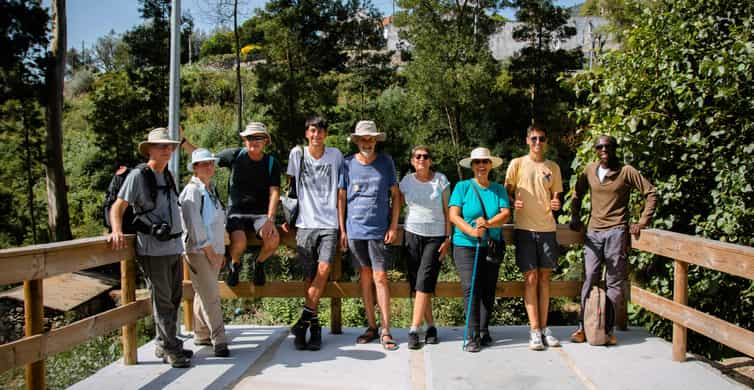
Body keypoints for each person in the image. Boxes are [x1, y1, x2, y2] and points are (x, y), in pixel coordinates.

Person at [108, 128, 191, 368]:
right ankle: (172, 350)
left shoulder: (168, 174)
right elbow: (118, 207)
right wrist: (116, 230)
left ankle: (164, 344)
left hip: (174, 245)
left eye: (170, 146)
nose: (167, 150)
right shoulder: (138, 176)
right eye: (161, 146)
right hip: (153, 249)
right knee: (163, 299)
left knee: (174, 297)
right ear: (149, 149)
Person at [568, 135, 657, 345]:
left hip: (617, 231)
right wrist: (574, 215)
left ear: (615, 148)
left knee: (614, 282)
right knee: (590, 277)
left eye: (608, 146)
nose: (604, 149)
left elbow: (651, 192)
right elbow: (577, 193)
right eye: (600, 146)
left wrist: (642, 222)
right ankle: (583, 327)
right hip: (593, 232)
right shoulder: (589, 170)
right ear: (595, 150)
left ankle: (606, 330)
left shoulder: (626, 171)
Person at [181, 122, 281, 287]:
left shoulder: (271, 163)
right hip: (236, 212)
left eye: (258, 137)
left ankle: (260, 263)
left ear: (265, 141)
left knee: (273, 240)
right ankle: (234, 264)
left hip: (260, 214)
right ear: (244, 140)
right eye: (250, 137)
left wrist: (270, 219)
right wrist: (183, 141)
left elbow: (275, 192)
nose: (254, 141)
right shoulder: (235, 155)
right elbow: (203, 158)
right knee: (239, 241)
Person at [338, 120, 401, 351]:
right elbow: (341, 199)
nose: (367, 142)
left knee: (381, 277)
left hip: (379, 230)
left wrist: (394, 226)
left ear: (376, 140)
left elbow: (396, 196)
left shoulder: (386, 162)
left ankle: (386, 329)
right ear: (357, 141)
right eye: (363, 138)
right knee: (364, 277)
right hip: (355, 230)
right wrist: (343, 230)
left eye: (371, 138)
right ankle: (372, 326)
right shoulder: (346, 164)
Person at [286, 116, 344, 351]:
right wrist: (286, 218)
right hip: (304, 223)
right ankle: (312, 327)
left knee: (323, 270)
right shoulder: (297, 154)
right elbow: (290, 185)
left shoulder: (336, 155)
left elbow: (342, 189)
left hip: (329, 223)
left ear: (326, 134)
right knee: (309, 278)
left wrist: (343, 225)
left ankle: (303, 320)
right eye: (312, 131)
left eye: (320, 131)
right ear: (307, 134)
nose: (316, 135)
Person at [504, 124, 563, 351]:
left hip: (548, 228)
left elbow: (556, 196)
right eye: (534, 139)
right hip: (525, 229)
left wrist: (557, 203)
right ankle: (534, 330)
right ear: (527, 140)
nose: (538, 143)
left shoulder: (553, 167)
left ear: (546, 142)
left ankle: (545, 328)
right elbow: (506, 190)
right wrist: (512, 202)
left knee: (545, 279)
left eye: (542, 139)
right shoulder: (517, 164)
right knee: (530, 279)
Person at [449, 147, 511, 353]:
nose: (481, 166)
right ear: (472, 166)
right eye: (477, 162)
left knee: (488, 289)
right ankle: (472, 335)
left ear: (490, 164)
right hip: (465, 244)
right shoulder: (462, 187)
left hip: (491, 246)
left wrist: (487, 225)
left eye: (485, 162)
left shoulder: (498, 189)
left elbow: (506, 214)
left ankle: (484, 330)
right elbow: (454, 215)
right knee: (470, 287)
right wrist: (472, 231)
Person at [399, 146, 451, 350]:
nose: (421, 159)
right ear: (412, 160)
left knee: (424, 281)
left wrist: (448, 238)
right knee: (419, 285)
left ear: (430, 160)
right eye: (418, 156)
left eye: (425, 156)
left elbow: (449, 212)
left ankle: (413, 329)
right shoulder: (406, 181)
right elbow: (395, 203)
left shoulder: (441, 180)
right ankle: (431, 327)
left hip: (435, 237)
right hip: (412, 234)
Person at [179, 148, 230, 357]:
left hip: (214, 249)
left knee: (204, 292)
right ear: (195, 168)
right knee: (211, 296)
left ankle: (201, 333)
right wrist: (211, 253)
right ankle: (220, 340)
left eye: (211, 163)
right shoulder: (192, 191)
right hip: (199, 252)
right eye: (204, 164)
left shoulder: (210, 189)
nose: (210, 166)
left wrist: (221, 250)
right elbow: (196, 227)